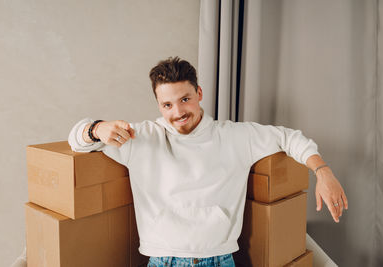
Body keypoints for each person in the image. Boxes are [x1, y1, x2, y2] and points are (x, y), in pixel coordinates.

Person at [68, 57, 348, 267]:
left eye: (185, 99)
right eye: (167, 105)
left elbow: (289, 138)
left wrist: (323, 172)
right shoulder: (140, 138)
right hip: (163, 261)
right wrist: (96, 128)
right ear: (158, 105)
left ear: (199, 94)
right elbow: (75, 139)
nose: (178, 112)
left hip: (219, 259)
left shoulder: (235, 136)